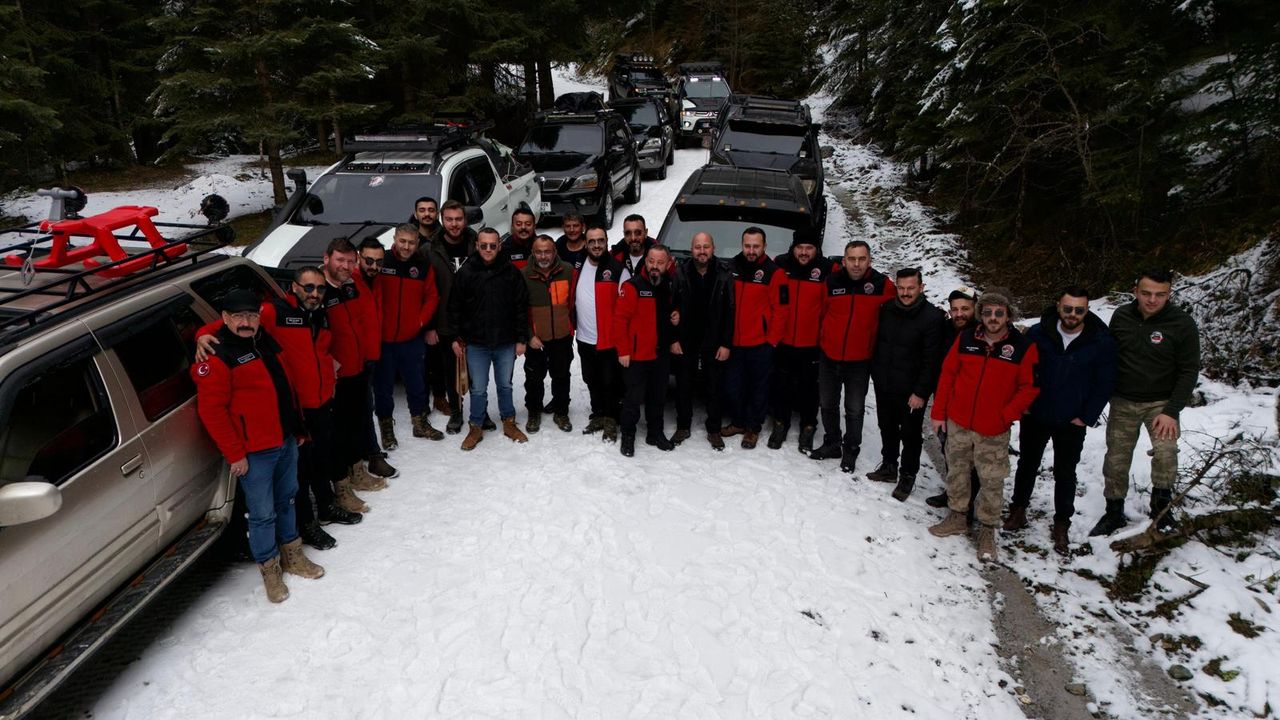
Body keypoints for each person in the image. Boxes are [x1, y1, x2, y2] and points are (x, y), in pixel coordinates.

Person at [193, 269, 364, 551]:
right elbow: (228, 324)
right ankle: (307, 525)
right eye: (308, 287)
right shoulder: (273, 312)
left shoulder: (319, 313)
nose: (314, 294)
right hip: (297, 406)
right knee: (300, 473)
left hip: (319, 401)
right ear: (294, 287)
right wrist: (201, 336)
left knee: (321, 458)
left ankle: (326, 506)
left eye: (320, 289)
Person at [191, 289, 323, 603]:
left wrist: (297, 428)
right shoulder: (216, 357)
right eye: (238, 316)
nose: (246, 322)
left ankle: (293, 556)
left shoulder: (264, 339)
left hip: (285, 440)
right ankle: (270, 570)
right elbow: (212, 412)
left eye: (251, 315)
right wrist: (235, 454)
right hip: (255, 452)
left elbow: (284, 386)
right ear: (225, 318)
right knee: (262, 514)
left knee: (287, 499)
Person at [928, 291, 1040, 562]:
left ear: (1008, 315)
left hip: (993, 428)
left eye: (999, 313)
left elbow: (1029, 387)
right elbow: (948, 375)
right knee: (957, 471)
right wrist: (939, 413)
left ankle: (987, 530)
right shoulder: (967, 339)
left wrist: (1006, 415)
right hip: (959, 421)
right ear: (981, 314)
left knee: (991, 480)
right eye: (988, 312)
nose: (993, 318)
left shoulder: (1022, 347)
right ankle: (957, 516)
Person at [1007, 286, 1116, 555]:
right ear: (1058, 306)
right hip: (1037, 413)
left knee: (1066, 472)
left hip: (1071, 419)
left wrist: (1086, 416)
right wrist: (1024, 404)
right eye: (1068, 309)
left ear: (1087, 310)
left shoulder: (1100, 340)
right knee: (1027, 463)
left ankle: (1062, 523)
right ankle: (1018, 509)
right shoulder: (1037, 333)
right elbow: (1022, 369)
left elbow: (1105, 382)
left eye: (1079, 310)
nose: (1073, 314)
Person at [1092, 268, 1201, 536]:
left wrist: (1171, 410)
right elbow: (1108, 355)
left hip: (1161, 404)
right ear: (1135, 291)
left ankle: (1161, 509)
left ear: (1169, 294)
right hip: (1123, 400)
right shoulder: (1121, 316)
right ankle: (1113, 511)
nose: (1152, 300)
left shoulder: (1182, 323)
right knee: (1116, 458)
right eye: (1146, 293)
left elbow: (1189, 370)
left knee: (1166, 454)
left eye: (1160, 294)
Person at [810, 241, 895, 471]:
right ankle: (832, 443)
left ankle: (851, 449)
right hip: (830, 356)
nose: (856, 264)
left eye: (861, 259)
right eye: (852, 259)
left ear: (869, 260)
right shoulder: (831, 282)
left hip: (860, 360)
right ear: (844, 260)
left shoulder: (882, 285)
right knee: (827, 403)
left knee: (854, 408)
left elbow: (899, 311)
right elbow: (822, 313)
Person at [449, 227, 531, 450]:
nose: (488, 249)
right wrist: (455, 337)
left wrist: (521, 338)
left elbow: (521, 307)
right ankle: (476, 426)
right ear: (477, 245)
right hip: (476, 343)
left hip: (505, 341)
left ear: (499, 246)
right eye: (483, 245)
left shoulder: (511, 272)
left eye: (492, 246)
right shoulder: (466, 272)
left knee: (505, 385)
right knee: (478, 388)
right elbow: (455, 307)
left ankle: (509, 422)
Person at [869, 267, 946, 501]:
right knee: (887, 426)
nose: (905, 293)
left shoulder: (932, 318)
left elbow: (932, 361)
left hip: (911, 391)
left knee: (910, 434)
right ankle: (889, 466)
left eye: (910, 288)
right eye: (901, 288)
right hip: (885, 382)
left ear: (921, 287)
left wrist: (921, 392)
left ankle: (907, 475)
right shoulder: (887, 309)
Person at [322, 237, 389, 504]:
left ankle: (357, 472)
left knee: (355, 424)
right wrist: (205, 335)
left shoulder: (351, 285)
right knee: (337, 431)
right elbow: (273, 315)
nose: (346, 266)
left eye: (351, 261)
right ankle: (341, 487)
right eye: (340, 260)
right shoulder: (316, 289)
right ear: (327, 258)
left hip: (358, 367)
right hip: (334, 377)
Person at [373, 223, 443, 449]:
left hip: (411, 337)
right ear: (394, 239)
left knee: (417, 383)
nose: (406, 246)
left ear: (417, 243)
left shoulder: (422, 265)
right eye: (402, 241)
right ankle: (386, 428)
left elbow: (432, 296)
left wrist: (421, 321)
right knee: (383, 387)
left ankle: (419, 422)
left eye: (411, 242)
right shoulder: (382, 261)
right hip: (384, 339)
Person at [721, 227, 789, 449]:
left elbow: (781, 310)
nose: (751, 251)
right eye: (747, 246)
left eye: (756, 246)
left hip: (760, 343)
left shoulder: (774, 273)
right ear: (742, 245)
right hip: (734, 342)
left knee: (758, 388)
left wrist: (772, 341)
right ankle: (738, 422)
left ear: (764, 246)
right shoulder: (730, 267)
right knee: (733, 386)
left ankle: (752, 428)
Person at [614, 244, 681, 457]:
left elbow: (669, 312)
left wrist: (676, 316)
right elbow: (620, 321)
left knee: (658, 397)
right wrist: (623, 351)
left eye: (660, 262)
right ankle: (628, 435)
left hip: (660, 354)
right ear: (646, 260)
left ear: (668, 264)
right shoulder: (633, 286)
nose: (654, 266)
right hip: (636, 355)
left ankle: (655, 433)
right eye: (651, 261)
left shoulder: (669, 285)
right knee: (633, 399)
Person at [767, 227, 830, 452]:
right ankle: (780, 424)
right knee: (781, 385)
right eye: (800, 247)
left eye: (809, 248)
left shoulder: (827, 269)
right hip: (784, 341)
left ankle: (808, 426)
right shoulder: (780, 264)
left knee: (810, 389)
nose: (804, 252)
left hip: (812, 343)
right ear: (793, 248)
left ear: (816, 249)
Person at [672, 231, 734, 450]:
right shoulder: (680, 272)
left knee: (714, 387)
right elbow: (672, 307)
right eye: (697, 247)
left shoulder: (724, 274)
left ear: (713, 249)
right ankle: (683, 426)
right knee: (683, 386)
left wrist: (726, 343)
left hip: (714, 341)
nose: (702, 251)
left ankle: (714, 429)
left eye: (706, 246)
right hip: (686, 340)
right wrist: (674, 339)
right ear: (692, 250)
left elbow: (730, 311)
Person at [424, 199, 478, 433]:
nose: (454, 224)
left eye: (458, 219)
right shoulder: (429, 250)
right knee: (450, 370)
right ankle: (456, 411)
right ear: (442, 220)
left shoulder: (477, 244)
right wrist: (430, 325)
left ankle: (479, 410)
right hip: (445, 319)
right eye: (449, 219)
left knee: (476, 369)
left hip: (474, 319)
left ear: (465, 220)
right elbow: (425, 291)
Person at [925, 287, 981, 510]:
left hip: (973, 405)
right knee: (949, 450)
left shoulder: (984, 332)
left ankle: (968, 501)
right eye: (955, 309)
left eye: (965, 309)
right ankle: (953, 492)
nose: (959, 314)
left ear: (975, 308)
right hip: (946, 401)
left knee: (972, 456)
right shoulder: (944, 329)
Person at [573, 225, 625, 443]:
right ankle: (598, 414)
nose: (596, 245)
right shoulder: (578, 266)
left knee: (610, 382)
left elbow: (625, 308)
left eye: (600, 241)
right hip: (584, 337)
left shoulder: (618, 269)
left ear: (606, 242)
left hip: (608, 339)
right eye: (592, 241)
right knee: (591, 378)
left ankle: (611, 419)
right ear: (586, 244)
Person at [523, 235, 576, 433]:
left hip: (562, 337)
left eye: (547, 251)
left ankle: (561, 411)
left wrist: (570, 328)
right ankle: (534, 411)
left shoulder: (568, 271)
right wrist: (529, 335)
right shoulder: (523, 275)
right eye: (539, 252)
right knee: (534, 379)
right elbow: (518, 309)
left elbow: (574, 301)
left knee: (562, 376)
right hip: (536, 339)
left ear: (555, 252)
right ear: (533, 253)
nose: (543, 256)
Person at [612, 214, 656, 281]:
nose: (633, 238)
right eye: (628, 233)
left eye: (638, 233)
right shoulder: (613, 257)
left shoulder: (661, 257)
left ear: (646, 233)